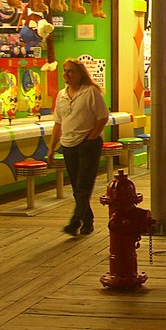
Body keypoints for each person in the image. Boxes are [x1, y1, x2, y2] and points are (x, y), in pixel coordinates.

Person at [47, 59, 108, 236]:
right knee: (76, 187)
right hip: (68, 144)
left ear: (80, 74)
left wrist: (91, 137)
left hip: (87, 144)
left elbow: (102, 117)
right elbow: (58, 123)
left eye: (71, 71)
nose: (66, 75)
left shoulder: (90, 92)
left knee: (84, 185)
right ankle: (87, 221)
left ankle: (75, 221)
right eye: (65, 71)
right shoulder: (61, 95)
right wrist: (52, 147)